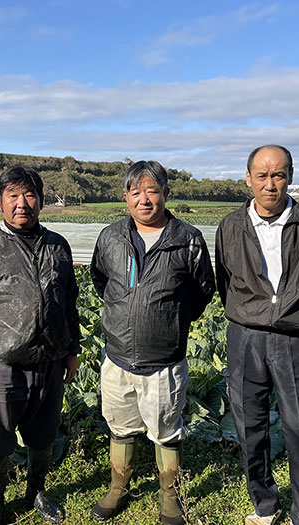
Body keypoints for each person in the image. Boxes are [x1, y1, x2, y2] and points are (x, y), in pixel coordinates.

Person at [215, 145, 299, 525]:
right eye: (263, 175)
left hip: (297, 338)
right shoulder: (230, 226)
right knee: (249, 425)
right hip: (245, 336)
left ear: (290, 177)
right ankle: (264, 505)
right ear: (248, 178)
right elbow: (225, 282)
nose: (271, 184)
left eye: (279, 175)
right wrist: (252, 314)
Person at [90, 160, 215, 524]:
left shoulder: (187, 239)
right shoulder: (110, 237)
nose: (144, 199)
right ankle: (118, 488)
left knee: (166, 431)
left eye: (152, 191)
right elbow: (102, 282)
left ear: (166, 194)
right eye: (136, 192)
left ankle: (169, 496)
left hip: (165, 363)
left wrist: (169, 320)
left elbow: (203, 290)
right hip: (117, 359)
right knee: (119, 427)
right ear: (125, 197)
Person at [0, 166, 80, 525]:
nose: (21, 204)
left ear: (40, 200)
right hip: (1, 363)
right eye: (13, 195)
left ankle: (36, 491)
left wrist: (72, 348)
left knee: (43, 436)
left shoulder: (57, 244)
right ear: (0, 202)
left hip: (51, 361)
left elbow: (69, 300)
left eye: (29, 195)